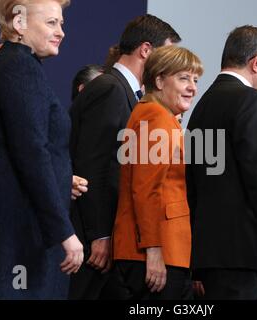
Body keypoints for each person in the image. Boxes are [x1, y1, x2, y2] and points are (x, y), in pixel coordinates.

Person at [68, 14, 181, 300]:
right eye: (167, 55)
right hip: (92, 239)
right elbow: (93, 166)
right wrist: (100, 235)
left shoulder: (127, 93)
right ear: (146, 50)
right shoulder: (110, 88)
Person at [0, 0, 83, 299]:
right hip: (21, 237)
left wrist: (64, 180)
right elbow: (31, 154)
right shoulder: (19, 68)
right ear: (19, 23)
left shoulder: (12, 65)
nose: (61, 32)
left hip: (13, 233)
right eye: (52, 23)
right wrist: (63, 231)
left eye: (61, 23)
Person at [186, 25, 257, 300]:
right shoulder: (249, 100)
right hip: (242, 252)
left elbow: (192, 180)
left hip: (209, 252)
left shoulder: (202, 105)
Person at [113, 45, 203, 300]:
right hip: (156, 251)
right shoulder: (156, 116)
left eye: (195, 80)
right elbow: (144, 190)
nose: (192, 87)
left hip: (154, 250)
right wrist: (153, 250)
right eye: (184, 78)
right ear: (160, 80)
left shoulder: (154, 114)